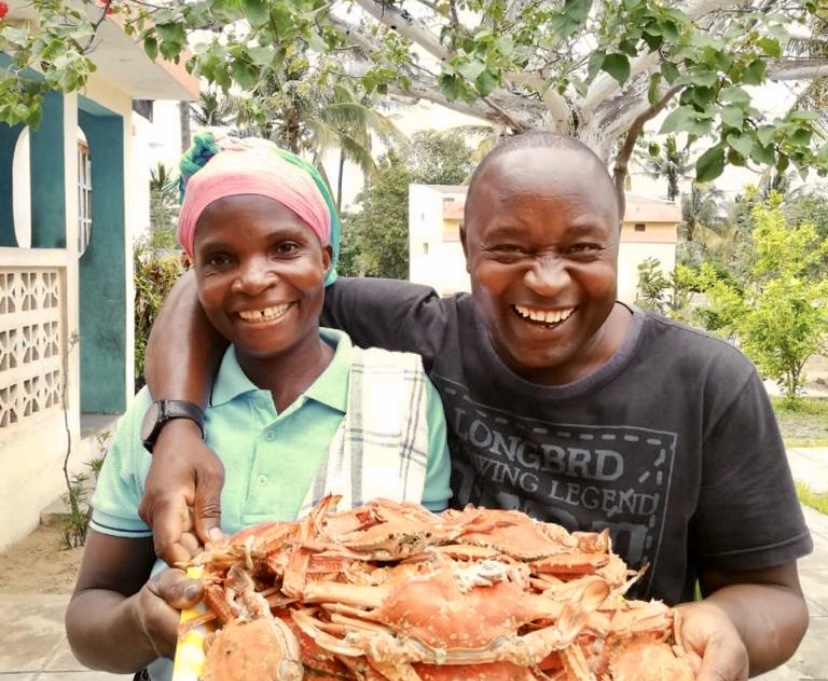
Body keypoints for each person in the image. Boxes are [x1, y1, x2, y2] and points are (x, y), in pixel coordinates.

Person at [139, 131, 813, 681]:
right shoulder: (427, 332)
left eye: (581, 249)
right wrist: (175, 426)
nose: (546, 281)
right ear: (466, 250)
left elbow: (775, 596)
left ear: (615, 246)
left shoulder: (708, 383)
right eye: (510, 249)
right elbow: (215, 292)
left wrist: (728, 627)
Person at [64, 135, 452, 680]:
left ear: (327, 256)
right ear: (192, 272)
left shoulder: (403, 398)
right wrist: (140, 624)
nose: (253, 278)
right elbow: (88, 616)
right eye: (220, 259)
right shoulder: (159, 419)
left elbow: (428, 593)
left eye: (285, 248)